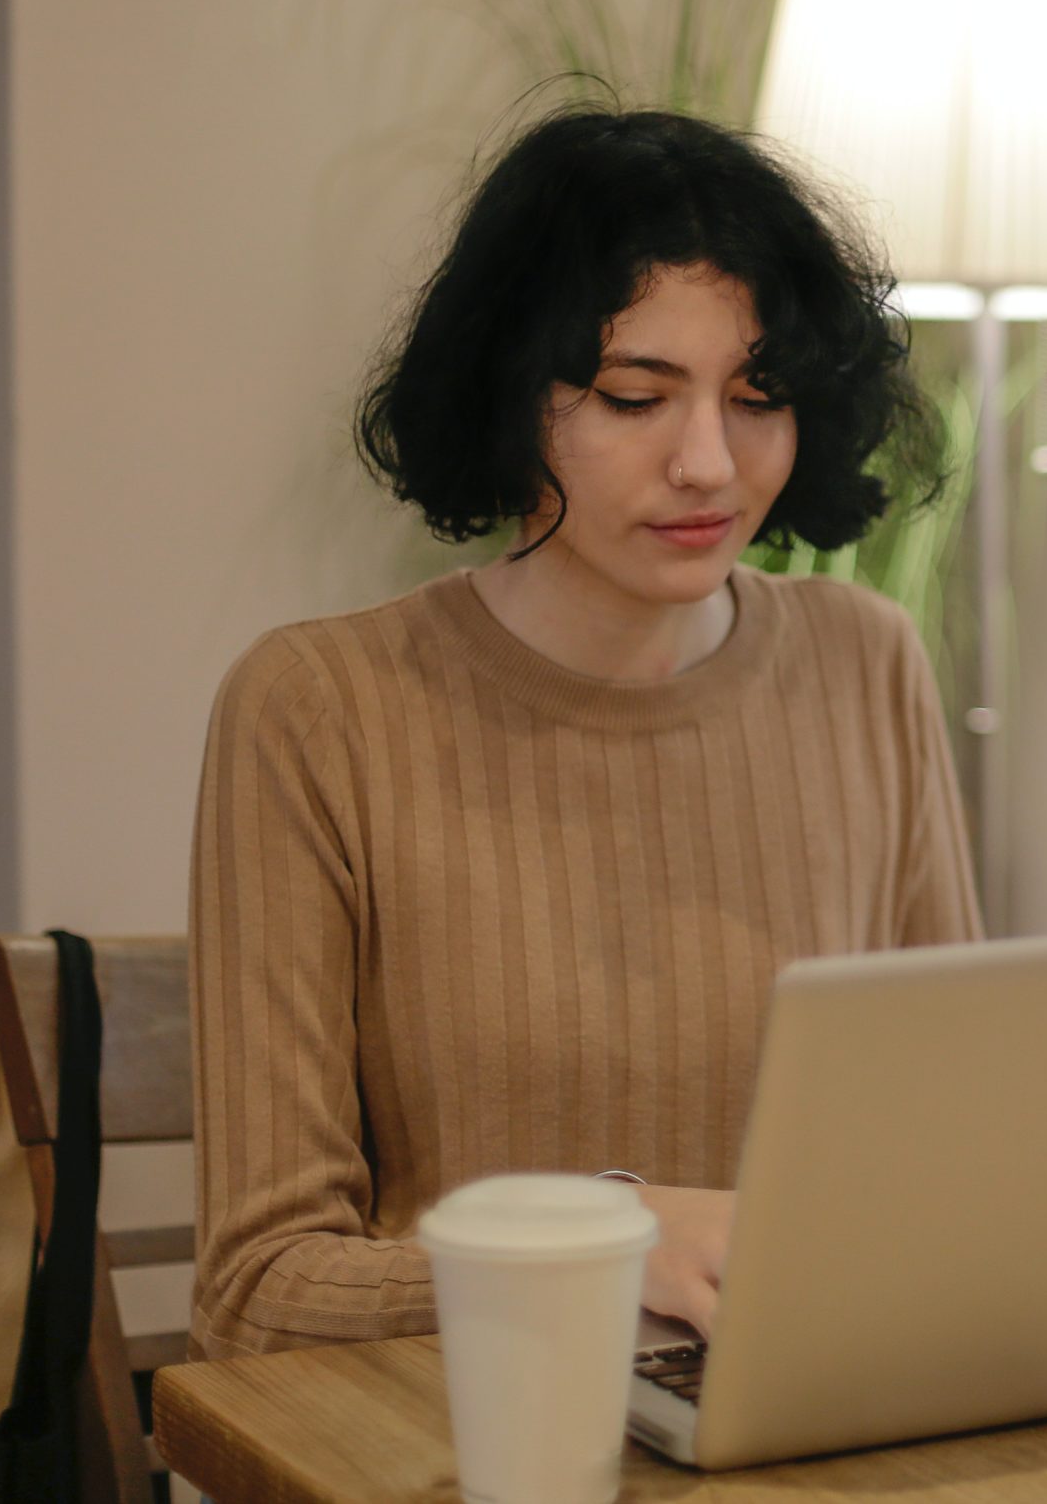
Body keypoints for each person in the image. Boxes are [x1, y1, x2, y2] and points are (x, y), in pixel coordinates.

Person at [186, 107, 981, 1360]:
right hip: (463, 1440)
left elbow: (953, 1162)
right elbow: (259, 1289)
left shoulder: (865, 661)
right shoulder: (318, 709)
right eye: (633, 397)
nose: (709, 462)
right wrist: (599, 1241)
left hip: (808, 1428)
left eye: (758, 397)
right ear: (510, 397)